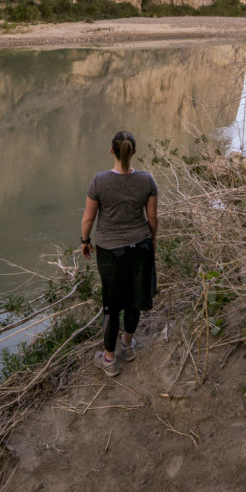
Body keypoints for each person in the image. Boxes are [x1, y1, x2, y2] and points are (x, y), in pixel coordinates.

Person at [80, 130, 158, 377]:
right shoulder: (147, 180)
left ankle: (109, 359)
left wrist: (85, 240)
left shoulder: (99, 181)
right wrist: (152, 240)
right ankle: (128, 345)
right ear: (133, 152)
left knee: (112, 304)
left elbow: (88, 217)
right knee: (134, 298)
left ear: (111, 151)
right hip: (140, 246)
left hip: (110, 251)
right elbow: (152, 218)